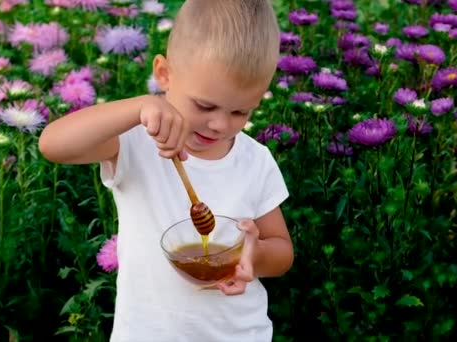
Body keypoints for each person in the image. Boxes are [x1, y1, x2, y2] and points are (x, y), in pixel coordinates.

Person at [38, 0, 294, 340]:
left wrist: (253, 255)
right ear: (164, 74)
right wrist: (140, 105)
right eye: (205, 105)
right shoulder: (135, 142)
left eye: (240, 112)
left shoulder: (255, 160)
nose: (219, 124)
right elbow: (53, 144)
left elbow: (282, 252)